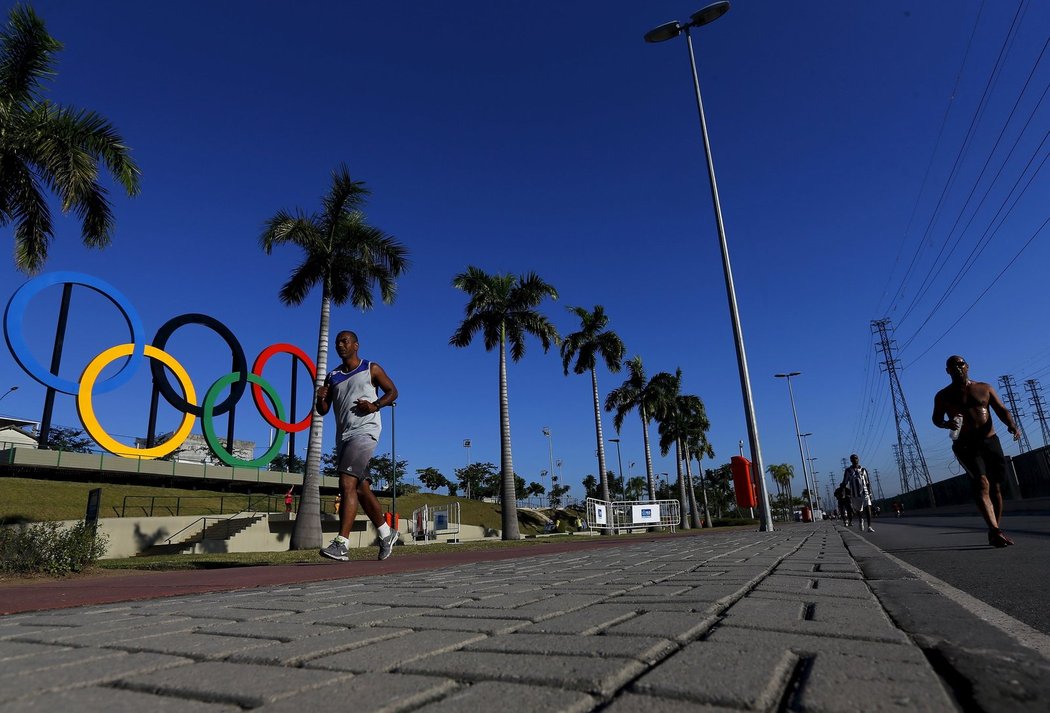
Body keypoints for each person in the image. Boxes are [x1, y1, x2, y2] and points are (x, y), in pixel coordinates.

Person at [316, 330, 400, 561]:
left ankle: (341, 544)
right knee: (361, 488)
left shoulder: (370, 368)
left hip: (365, 431)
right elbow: (322, 410)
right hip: (343, 437)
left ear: (356, 345)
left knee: (346, 483)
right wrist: (321, 397)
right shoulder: (332, 375)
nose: (340, 345)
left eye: (345, 341)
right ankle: (386, 532)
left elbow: (392, 391)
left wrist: (375, 405)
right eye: (337, 342)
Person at [932, 355, 1020, 548]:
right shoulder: (943, 395)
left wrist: (1012, 425)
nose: (957, 368)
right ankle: (996, 531)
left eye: (960, 364)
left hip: (989, 441)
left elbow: (1001, 410)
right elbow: (936, 419)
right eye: (952, 366)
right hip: (965, 444)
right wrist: (947, 423)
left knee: (996, 487)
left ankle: (994, 530)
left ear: (967, 366)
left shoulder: (984, 388)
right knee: (982, 483)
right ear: (947, 371)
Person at [840, 454, 875, 532]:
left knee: (868, 508)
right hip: (855, 494)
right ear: (851, 461)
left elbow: (868, 482)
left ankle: (869, 526)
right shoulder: (848, 471)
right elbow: (844, 482)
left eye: (856, 458)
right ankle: (861, 519)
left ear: (858, 459)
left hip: (865, 493)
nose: (855, 460)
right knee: (859, 510)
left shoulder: (863, 470)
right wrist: (843, 492)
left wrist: (870, 493)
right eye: (853, 459)